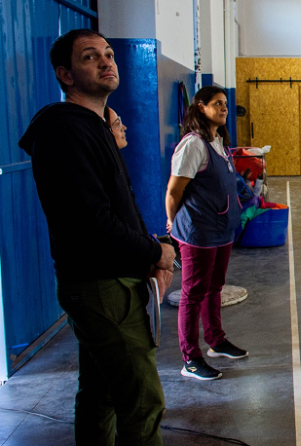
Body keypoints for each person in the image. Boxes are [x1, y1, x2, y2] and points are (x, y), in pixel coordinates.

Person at [18, 29, 174, 445]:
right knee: (142, 401)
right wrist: (156, 253)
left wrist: (153, 248)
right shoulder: (66, 131)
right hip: (103, 286)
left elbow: (119, 205)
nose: (107, 61)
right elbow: (95, 224)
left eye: (108, 54)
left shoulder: (93, 129)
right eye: (90, 57)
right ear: (65, 74)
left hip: (106, 281)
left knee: (101, 391)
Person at [165, 86, 248, 381]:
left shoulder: (219, 142)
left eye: (225, 104)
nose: (224, 108)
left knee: (215, 286)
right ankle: (190, 358)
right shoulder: (193, 144)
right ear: (200, 107)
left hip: (222, 229)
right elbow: (174, 191)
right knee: (193, 294)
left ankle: (216, 341)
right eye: (217, 104)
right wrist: (173, 224)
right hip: (198, 231)